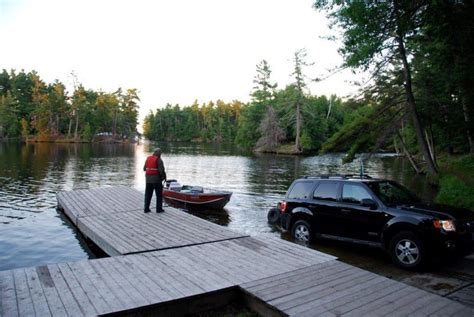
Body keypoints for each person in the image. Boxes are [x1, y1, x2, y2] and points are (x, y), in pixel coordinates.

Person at [143, 148, 166, 213]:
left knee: (148, 194)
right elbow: (161, 171)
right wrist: (164, 177)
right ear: (159, 153)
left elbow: (144, 169)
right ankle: (159, 209)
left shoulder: (148, 158)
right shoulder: (159, 160)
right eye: (160, 153)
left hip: (148, 180)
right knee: (159, 195)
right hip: (157, 180)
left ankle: (146, 209)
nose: (160, 154)